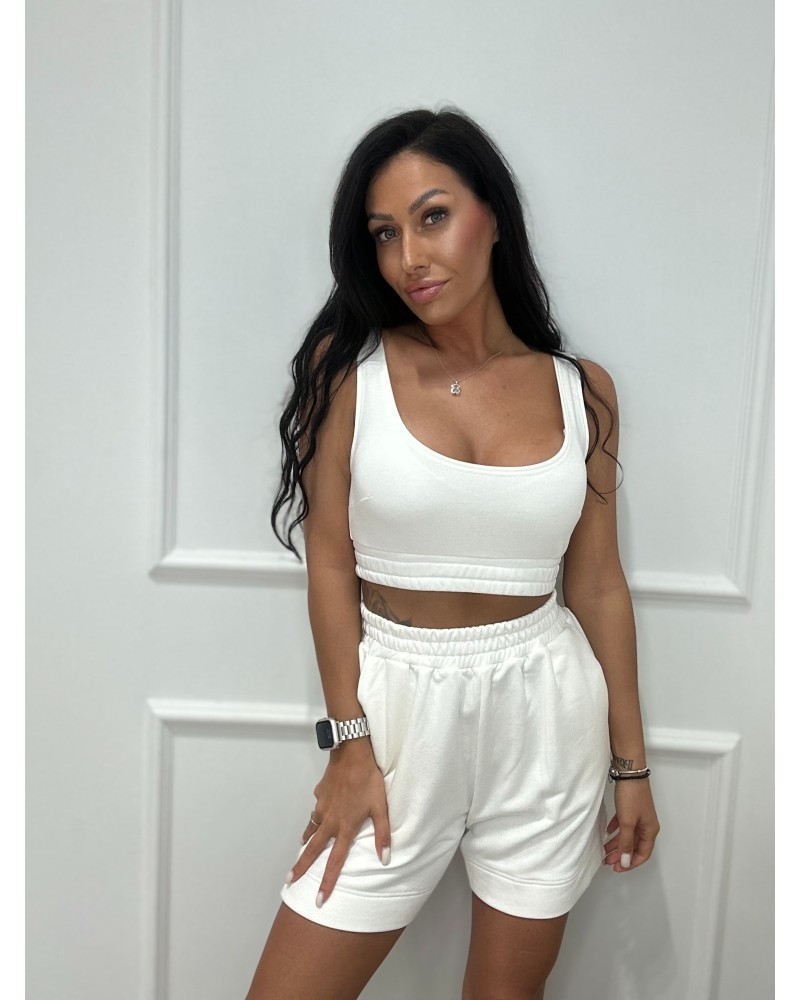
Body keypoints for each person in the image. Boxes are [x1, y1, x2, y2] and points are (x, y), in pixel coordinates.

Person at [246, 107, 660, 1000]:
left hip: (547, 715)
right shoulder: (346, 372)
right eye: (384, 233)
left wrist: (631, 766)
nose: (409, 257)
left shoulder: (583, 391)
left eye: (432, 217)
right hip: (398, 719)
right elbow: (329, 564)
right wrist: (348, 745)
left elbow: (597, 584)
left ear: (493, 216)